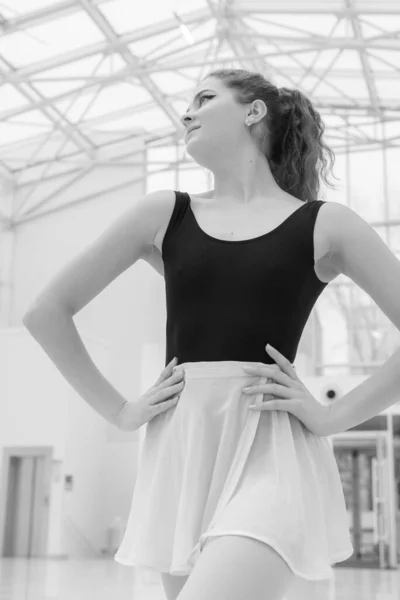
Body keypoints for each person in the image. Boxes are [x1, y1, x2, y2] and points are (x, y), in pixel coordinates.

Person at [23, 68, 400, 600]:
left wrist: (333, 416)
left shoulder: (325, 224)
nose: (187, 113)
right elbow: (46, 312)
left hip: (272, 449)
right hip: (182, 451)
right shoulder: (165, 214)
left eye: (204, 99)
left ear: (254, 112)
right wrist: (121, 411)